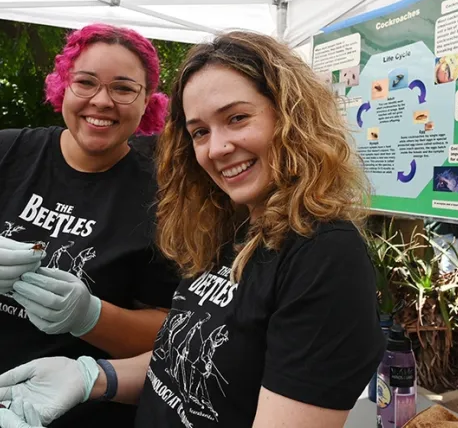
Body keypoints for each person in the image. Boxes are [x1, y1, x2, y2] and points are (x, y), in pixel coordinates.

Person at [0, 31, 385, 428]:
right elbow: (187, 359)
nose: (216, 148)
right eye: (200, 131)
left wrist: (89, 317)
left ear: (290, 115)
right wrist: (94, 377)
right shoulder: (231, 230)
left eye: (236, 118)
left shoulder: (323, 255)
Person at [0, 24, 178, 428]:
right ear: (63, 84)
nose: (102, 101)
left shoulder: (163, 197)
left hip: (76, 412)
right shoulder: (9, 152)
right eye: (86, 82)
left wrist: (89, 316)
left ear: (147, 100)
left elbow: (167, 331)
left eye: (123, 88)